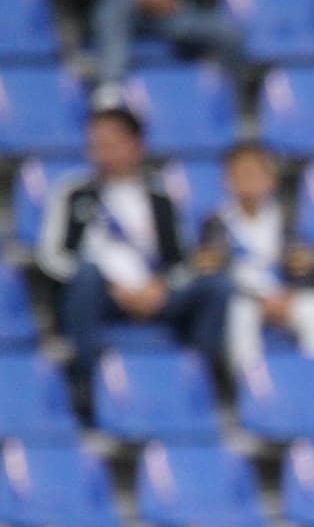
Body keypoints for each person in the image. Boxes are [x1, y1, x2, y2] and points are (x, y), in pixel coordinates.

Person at [37, 106, 231, 420]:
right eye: (96, 144)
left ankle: (201, 384)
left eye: (112, 143)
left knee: (217, 287)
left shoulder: (162, 197)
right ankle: (85, 384)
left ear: (137, 145)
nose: (103, 152)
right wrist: (113, 287)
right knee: (85, 276)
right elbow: (52, 256)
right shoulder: (73, 192)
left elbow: (182, 261)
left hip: (156, 293)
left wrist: (160, 287)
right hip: (99, 294)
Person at [194, 141, 314, 375]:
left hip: (285, 295)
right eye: (241, 174)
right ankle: (250, 388)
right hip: (244, 298)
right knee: (239, 314)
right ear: (226, 180)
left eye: (256, 173)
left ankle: (313, 381)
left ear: (271, 180)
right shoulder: (215, 223)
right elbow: (211, 272)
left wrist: (289, 293)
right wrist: (258, 298)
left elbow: (305, 263)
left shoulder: (288, 220)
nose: (249, 180)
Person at [90, 0, 247, 92]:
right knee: (114, 11)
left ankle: (230, 99)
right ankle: (110, 90)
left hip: (175, 7)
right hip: (120, 1)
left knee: (229, 33)